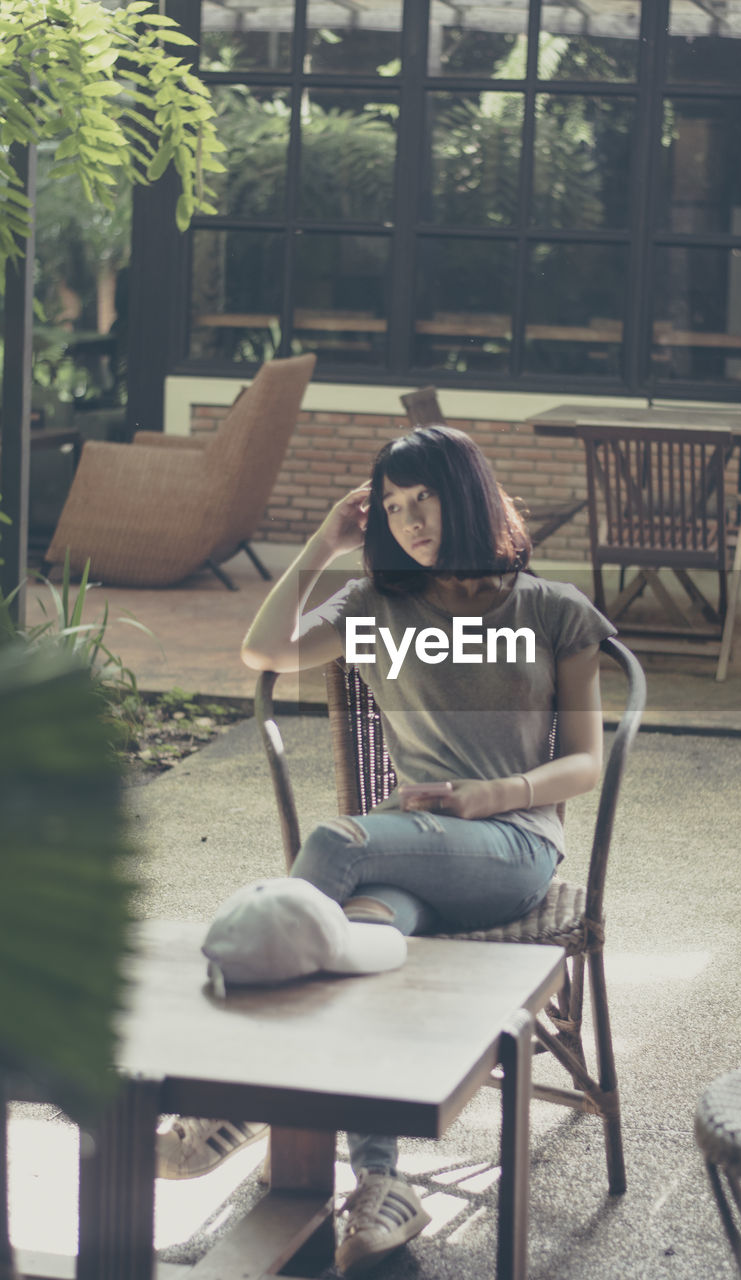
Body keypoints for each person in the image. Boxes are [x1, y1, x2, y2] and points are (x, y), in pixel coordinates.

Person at [157, 424, 615, 1276]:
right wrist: (322, 546)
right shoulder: (375, 605)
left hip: (513, 848)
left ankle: (244, 1089)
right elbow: (265, 650)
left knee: (336, 838)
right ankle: (378, 1186)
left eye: (422, 499)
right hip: (410, 859)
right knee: (363, 942)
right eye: (391, 507)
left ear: (466, 493)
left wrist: (492, 796)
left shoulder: (552, 609)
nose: (406, 519)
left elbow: (587, 761)